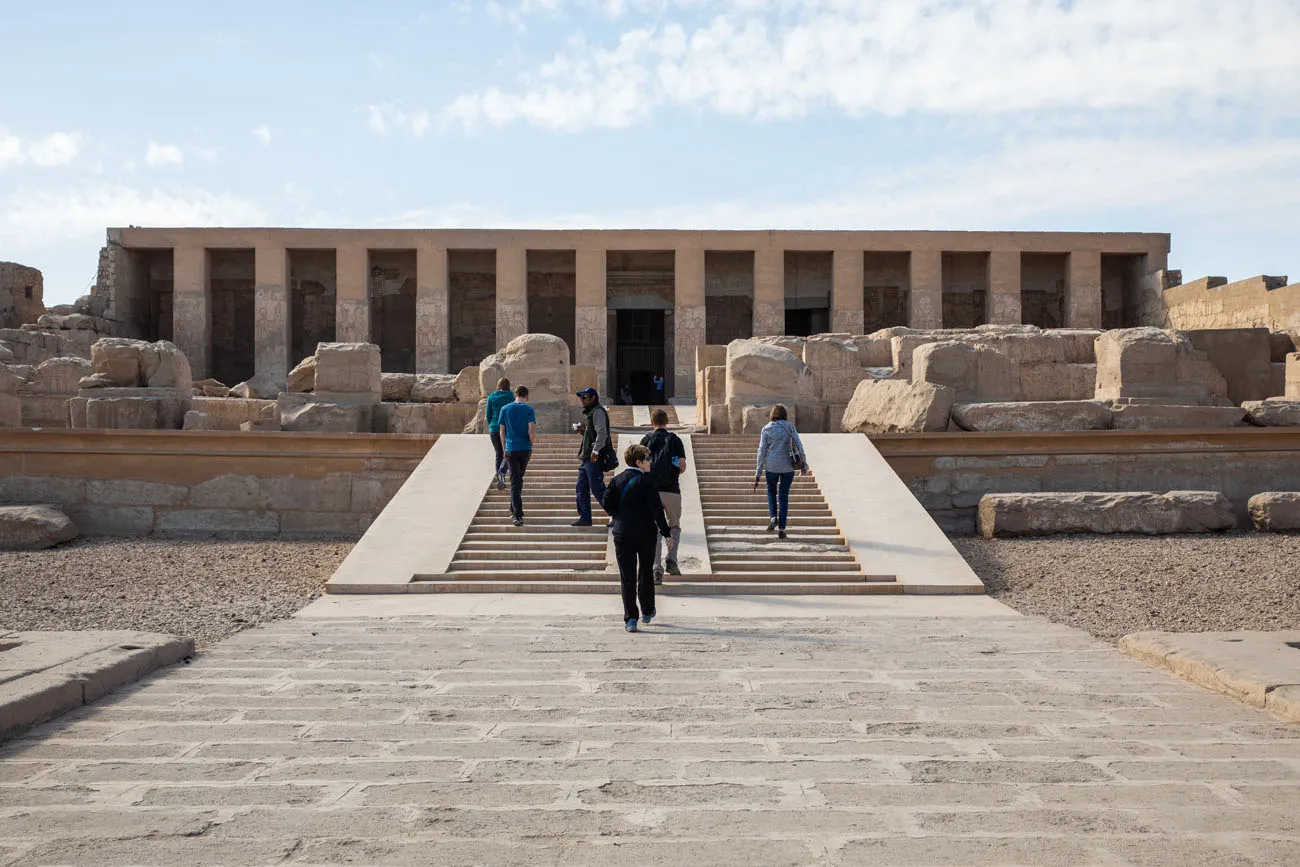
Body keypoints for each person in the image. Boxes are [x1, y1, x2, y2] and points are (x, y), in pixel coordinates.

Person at [602, 443, 671, 632]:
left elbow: (607, 503)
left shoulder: (617, 480)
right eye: (648, 459)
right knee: (646, 572)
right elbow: (657, 510)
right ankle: (647, 611)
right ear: (639, 462)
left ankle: (631, 619)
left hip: (622, 532)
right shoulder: (647, 482)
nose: (651, 462)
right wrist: (666, 533)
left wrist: (619, 516)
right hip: (645, 533)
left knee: (627, 576)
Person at [640, 408, 686, 583]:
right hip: (672, 490)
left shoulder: (645, 440)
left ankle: (656, 569)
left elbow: (639, 466)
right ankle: (671, 560)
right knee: (674, 526)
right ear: (667, 422)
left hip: (651, 492)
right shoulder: (675, 440)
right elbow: (682, 466)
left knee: (655, 530)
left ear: (652, 422)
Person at [754, 404, 808, 540]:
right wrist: (804, 464)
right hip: (788, 467)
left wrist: (758, 472)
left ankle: (773, 517)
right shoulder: (790, 427)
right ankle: (782, 529)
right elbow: (799, 445)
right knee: (783, 496)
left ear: (772, 415)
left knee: (771, 491)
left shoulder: (766, 429)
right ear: (784, 415)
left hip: (771, 466)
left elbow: (761, 452)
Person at [496, 385, 536, 526]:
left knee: (516, 480)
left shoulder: (505, 409)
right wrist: (531, 445)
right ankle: (517, 514)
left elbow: (501, 431)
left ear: (515, 394)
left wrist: (503, 448)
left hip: (510, 448)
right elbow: (531, 431)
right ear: (526, 396)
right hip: (524, 448)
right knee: (517, 479)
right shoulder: (529, 410)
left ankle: (514, 508)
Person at [572, 387, 611, 527]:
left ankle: (617, 515)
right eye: (581, 398)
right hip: (586, 457)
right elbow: (592, 435)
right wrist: (582, 431)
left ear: (593, 398)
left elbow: (602, 434)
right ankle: (585, 517)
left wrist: (595, 451)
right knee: (581, 488)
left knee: (598, 489)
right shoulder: (590, 413)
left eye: (584, 397)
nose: (582, 400)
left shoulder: (598, 412)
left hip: (592, 457)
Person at [484, 377, 514, 489]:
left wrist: (492, 424)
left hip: (494, 429)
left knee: (498, 454)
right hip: (507, 428)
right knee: (507, 453)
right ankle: (507, 475)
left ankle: (500, 479)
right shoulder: (511, 396)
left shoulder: (491, 397)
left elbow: (488, 414)